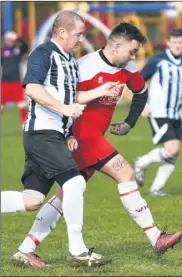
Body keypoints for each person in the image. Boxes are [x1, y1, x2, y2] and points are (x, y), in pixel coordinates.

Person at [13, 22, 182, 268]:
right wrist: (67, 134)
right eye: (132, 51)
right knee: (125, 172)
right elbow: (64, 98)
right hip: (82, 135)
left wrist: (129, 122)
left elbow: (141, 91)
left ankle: (25, 248)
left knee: (63, 198)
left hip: (93, 138)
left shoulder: (126, 69)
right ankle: (156, 237)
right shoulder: (84, 67)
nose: (133, 57)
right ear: (116, 45)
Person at [1, 10, 123, 268]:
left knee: (32, 200)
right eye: (78, 34)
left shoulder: (68, 60)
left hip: (52, 135)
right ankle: (77, 251)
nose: (81, 39)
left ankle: (24, 251)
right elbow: (32, 88)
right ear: (62, 32)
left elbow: (70, 98)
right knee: (75, 183)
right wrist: (64, 110)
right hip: (41, 133)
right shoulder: (43, 53)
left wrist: (98, 93)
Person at [134, 28, 182, 197]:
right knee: (172, 149)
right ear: (168, 42)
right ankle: (141, 162)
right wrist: (142, 106)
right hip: (158, 112)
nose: (178, 45)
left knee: (175, 152)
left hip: (176, 114)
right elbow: (137, 81)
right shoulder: (158, 61)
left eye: (180, 42)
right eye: (174, 42)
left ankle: (156, 189)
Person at [1, 31, 29, 126]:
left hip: (16, 82)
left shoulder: (17, 50)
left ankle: (24, 123)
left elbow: (25, 46)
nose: (10, 41)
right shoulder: (2, 51)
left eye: (12, 40)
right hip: (5, 82)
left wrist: (18, 38)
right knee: (1, 105)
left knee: (21, 104)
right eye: (9, 40)